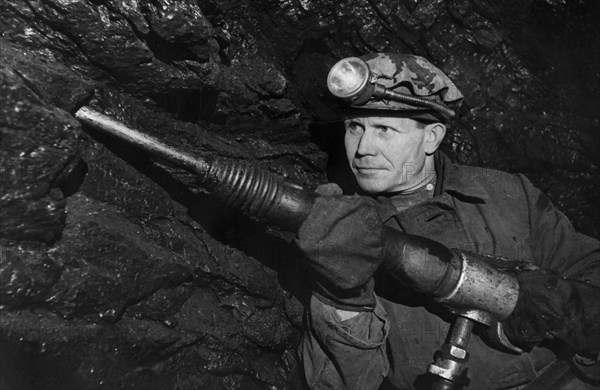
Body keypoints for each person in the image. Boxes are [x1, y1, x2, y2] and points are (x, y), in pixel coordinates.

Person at [293, 53, 600, 390]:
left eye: (384, 129)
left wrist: (560, 304)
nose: (363, 147)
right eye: (355, 127)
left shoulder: (506, 193)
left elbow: (590, 271)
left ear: (432, 137)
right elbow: (346, 382)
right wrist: (341, 295)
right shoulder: (338, 227)